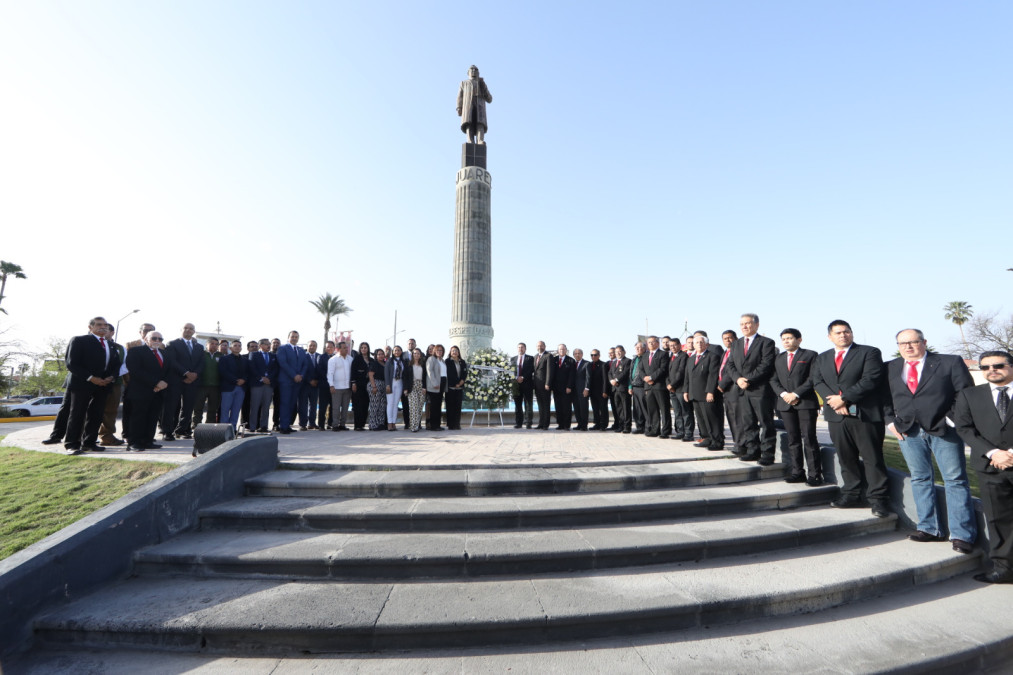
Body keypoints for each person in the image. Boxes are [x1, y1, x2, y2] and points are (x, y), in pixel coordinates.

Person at [885, 329, 975, 553]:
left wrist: (951, 419)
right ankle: (929, 528)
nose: (908, 347)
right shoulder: (891, 367)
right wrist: (890, 422)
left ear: (924, 342)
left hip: (943, 430)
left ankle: (961, 535)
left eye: (913, 342)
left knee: (954, 480)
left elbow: (965, 394)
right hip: (908, 431)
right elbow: (883, 398)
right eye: (902, 343)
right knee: (920, 478)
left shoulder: (949, 362)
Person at [811, 320, 891, 518]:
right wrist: (834, 403)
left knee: (872, 458)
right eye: (837, 333)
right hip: (836, 416)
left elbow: (871, 379)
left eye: (846, 331)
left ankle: (878, 500)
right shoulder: (822, 358)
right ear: (830, 337)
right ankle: (851, 494)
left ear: (852, 333)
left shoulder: (869, 352)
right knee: (846, 457)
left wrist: (844, 399)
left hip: (865, 415)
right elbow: (818, 381)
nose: (843, 335)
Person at [954, 351, 1013, 582]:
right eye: (985, 367)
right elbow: (964, 428)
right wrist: (994, 453)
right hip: (989, 466)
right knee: (997, 519)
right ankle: (1003, 569)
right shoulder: (970, 395)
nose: (992, 370)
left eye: (998, 365)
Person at [724, 314, 778, 465]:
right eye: (742, 324)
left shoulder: (766, 342)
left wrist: (748, 379)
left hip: (760, 389)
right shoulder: (736, 344)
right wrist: (738, 379)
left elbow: (766, 364)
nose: (744, 326)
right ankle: (752, 450)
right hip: (741, 390)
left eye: (748, 323)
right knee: (748, 423)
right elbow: (730, 365)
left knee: (765, 423)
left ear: (756, 325)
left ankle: (767, 453)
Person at [771, 328, 822, 485]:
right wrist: (784, 394)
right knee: (793, 439)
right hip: (785, 404)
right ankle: (797, 472)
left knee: (809, 438)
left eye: (789, 338)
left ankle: (814, 475)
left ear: (799, 340)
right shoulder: (778, 358)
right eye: (783, 339)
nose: (786, 341)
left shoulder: (810, 355)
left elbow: (813, 378)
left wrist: (796, 394)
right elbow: (773, 380)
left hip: (805, 403)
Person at [62, 317, 120, 454]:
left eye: (105, 325)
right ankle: (72, 444)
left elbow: (116, 364)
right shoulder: (79, 340)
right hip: (82, 384)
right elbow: (72, 363)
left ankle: (89, 442)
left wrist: (111, 377)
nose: (103, 327)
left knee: (96, 415)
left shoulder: (110, 344)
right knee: (78, 414)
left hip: (103, 385)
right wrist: (91, 378)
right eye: (99, 325)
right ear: (90, 327)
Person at [124, 331, 171, 452]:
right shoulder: (136, 351)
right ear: (146, 339)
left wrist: (162, 384)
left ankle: (147, 441)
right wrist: (155, 382)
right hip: (140, 391)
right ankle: (134, 443)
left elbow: (168, 371)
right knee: (138, 417)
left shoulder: (164, 353)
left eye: (160, 339)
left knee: (152, 417)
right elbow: (135, 370)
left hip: (158, 392)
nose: (157, 341)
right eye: (154, 338)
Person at [161, 323, 205, 441]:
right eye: (186, 328)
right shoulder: (173, 344)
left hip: (192, 382)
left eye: (191, 329)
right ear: (181, 330)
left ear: (194, 331)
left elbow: (201, 363)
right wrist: (186, 373)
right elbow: (172, 361)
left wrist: (194, 374)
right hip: (176, 380)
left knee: (188, 407)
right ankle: (167, 431)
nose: (188, 330)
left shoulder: (199, 347)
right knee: (171, 406)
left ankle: (182, 429)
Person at [685, 333, 724, 450]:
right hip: (694, 394)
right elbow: (687, 376)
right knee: (701, 419)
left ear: (706, 344)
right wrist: (686, 391)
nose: (699, 344)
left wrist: (710, 391)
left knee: (711, 418)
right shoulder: (691, 359)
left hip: (706, 394)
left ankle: (717, 441)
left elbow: (713, 375)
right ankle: (706, 438)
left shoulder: (712, 356)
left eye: (702, 342)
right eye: (697, 342)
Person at [98, 323, 127, 447]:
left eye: (107, 329)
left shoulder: (120, 348)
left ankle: (107, 436)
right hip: (94, 382)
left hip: (114, 383)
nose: (104, 331)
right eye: (101, 329)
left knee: (111, 410)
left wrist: (112, 377)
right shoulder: (93, 344)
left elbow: (125, 365)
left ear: (112, 332)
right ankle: (86, 436)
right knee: (91, 410)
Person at [276, 331, 308, 434]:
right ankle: (283, 426)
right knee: (285, 403)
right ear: (288, 337)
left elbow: (305, 364)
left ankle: (288, 424)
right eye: (292, 336)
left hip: (297, 382)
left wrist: (301, 375)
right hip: (286, 380)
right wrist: (294, 375)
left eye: (296, 337)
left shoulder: (301, 350)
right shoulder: (283, 348)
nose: (294, 338)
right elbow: (283, 363)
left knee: (292, 404)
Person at [642, 336, 670, 438]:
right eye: (649, 342)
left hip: (659, 385)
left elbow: (663, 369)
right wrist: (645, 378)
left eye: (653, 342)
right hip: (648, 387)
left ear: (657, 343)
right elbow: (641, 369)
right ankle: (655, 429)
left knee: (664, 409)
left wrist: (651, 377)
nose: (651, 344)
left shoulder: (663, 354)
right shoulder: (645, 355)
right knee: (652, 409)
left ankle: (666, 430)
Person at [456, 65, 493, 144]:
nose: (473, 71)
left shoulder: (481, 83)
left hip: (480, 105)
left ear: (478, 73)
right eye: (471, 69)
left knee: (480, 123)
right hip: (468, 105)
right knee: (469, 122)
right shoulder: (464, 83)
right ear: (468, 72)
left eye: (475, 69)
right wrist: (459, 107)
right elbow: (460, 96)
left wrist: (483, 85)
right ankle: (470, 140)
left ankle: (480, 140)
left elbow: (489, 99)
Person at [218, 340, 249, 432]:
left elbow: (248, 372)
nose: (237, 347)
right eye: (235, 345)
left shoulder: (245, 360)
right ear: (230, 348)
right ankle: (224, 429)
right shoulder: (224, 359)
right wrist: (235, 380)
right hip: (228, 388)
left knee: (236, 410)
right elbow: (223, 372)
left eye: (239, 345)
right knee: (225, 410)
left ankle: (233, 429)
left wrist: (243, 380)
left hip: (241, 388)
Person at [248, 339, 278, 433]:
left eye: (269, 344)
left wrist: (269, 378)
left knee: (266, 406)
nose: (269, 346)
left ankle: (263, 426)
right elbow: (252, 368)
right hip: (257, 384)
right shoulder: (254, 354)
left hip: (269, 384)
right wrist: (261, 378)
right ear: (260, 345)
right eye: (266, 344)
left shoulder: (273, 356)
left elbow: (276, 369)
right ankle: (252, 426)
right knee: (255, 406)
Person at [192, 337, 221, 429]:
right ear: (206, 344)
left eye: (216, 344)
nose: (214, 345)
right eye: (212, 343)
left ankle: (209, 427)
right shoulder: (201, 354)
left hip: (216, 387)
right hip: (201, 386)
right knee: (198, 408)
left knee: (212, 408)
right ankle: (196, 426)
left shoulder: (221, 356)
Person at [666, 338, 692, 442]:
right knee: (677, 412)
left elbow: (681, 372)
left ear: (680, 345)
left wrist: (672, 384)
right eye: (670, 345)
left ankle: (688, 433)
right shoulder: (671, 356)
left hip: (680, 388)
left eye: (674, 345)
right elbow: (667, 373)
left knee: (686, 412)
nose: (672, 347)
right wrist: (668, 384)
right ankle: (680, 432)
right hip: (672, 390)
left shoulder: (683, 356)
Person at [327, 341, 354, 431]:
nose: (346, 349)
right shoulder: (333, 360)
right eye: (344, 348)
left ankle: (342, 424)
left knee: (345, 407)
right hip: (336, 388)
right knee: (336, 407)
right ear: (338, 349)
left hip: (347, 387)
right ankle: (335, 425)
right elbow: (330, 374)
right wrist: (331, 385)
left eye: (347, 348)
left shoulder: (350, 359)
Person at [548, 343, 576, 430]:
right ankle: (560, 424)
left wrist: (569, 386)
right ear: (557, 351)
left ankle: (567, 425)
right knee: (558, 407)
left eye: (563, 349)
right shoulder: (554, 360)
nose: (562, 351)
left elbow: (572, 375)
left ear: (566, 350)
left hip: (566, 388)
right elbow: (551, 373)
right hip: (556, 388)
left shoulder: (571, 360)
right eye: (560, 349)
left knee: (567, 407)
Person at [384, 345, 408, 431]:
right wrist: (387, 385)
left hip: (400, 382)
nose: (396, 352)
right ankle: (389, 423)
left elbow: (405, 374)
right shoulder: (389, 361)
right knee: (390, 403)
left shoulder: (403, 362)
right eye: (395, 350)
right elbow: (386, 374)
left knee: (396, 404)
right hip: (391, 382)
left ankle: (394, 423)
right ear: (393, 352)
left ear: (401, 352)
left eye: (398, 350)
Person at [350, 341, 373, 431]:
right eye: (362, 347)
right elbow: (353, 372)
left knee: (365, 405)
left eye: (365, 348)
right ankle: (357, 425)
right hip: (358, 385)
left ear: (368, 349)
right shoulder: (357, 359)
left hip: (367, 385)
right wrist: (353, 383)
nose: (363, 349)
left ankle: (362, 424)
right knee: (358, 405)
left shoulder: (371, 360)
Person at [512, 342, 535, 429]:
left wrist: (523, 377)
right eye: (519, 347)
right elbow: (510, 371)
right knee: (517, 405)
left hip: (527, 384)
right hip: (516, 385)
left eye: (522, 347)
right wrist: (516, 377)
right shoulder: (513, 359)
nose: (520, 349)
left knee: (528, 404)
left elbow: (532, 369)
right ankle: (519, 423)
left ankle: (528, 423)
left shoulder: (530, 358)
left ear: (525, 349)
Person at [610, 345, 632, 433]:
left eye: (619, 351)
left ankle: (627, 426)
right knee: (618, 408)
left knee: (626, 408)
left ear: (624, 352)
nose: (618, 353)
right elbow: (610, 373)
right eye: (616, 352)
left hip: (623, 388)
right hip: (615, 389)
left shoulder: (628, 361)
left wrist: (616, 380)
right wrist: (611, 380)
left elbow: (625, 372)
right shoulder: (614, 362)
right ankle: (621, 425)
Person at [445, 345, 468, 430]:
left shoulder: (462, 362)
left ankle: (457, 424)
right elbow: (448, 374)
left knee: (458, 406)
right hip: (450, 387)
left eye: (456, 350)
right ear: (450, 353)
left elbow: (465, 373)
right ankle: (451, 425)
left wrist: (461, 382)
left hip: (459, 388)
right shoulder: (447, 361)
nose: (454, 352)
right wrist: (455, 383)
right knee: (450, 406)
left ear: (458, 352)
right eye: (452, 351)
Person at [426, 344, 447, 431]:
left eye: (441, 350)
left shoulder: (442, 360)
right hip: (434, 385)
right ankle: (433, 426)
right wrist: (435, 383)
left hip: (442, 383)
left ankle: (437, 425)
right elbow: (430, 372)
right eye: (437, 350)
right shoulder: (431, 359)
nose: (439, 352)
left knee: (438, 405)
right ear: (434, 351)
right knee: (434, 406)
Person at [588, 349, 609, 430]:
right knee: (595, 409)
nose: (593, 356)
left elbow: (605, 379)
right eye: (592, 355)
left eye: (595, 355)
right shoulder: (589, 365)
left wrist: (604, 391)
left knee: (603, 409)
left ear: (599, 355)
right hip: (592, 392)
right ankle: (597, 423)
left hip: (601, 391)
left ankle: (603, 425)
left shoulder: (603, 365)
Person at [305, 341, 324, 429]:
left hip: (316, 385)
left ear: (316, 347)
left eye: (314, 346)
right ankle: (303, 423)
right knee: (303, 405)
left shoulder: (320, 356)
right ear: (307, 347)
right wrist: (309, 380)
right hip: (305, 384)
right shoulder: (303, 356)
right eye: (310, 346)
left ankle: (312, 423)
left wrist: (317, 381)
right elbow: (302, 370)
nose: (312, 347)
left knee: (313, 405)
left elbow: (322, 370)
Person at [532, 341, 552, 430]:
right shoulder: (536, 356)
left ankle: (545, 424)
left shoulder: (548, 356)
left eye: (541, 345)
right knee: (540, 405)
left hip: (545, 385)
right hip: (537, 385)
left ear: (545, 346)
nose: (540, 347)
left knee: (546, 405)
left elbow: (549, 371)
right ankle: (541, 423)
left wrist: (547, 383)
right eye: (538, 345)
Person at [629, 342, 647, 434]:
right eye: (636, 347)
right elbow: (631, 373)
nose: (638, 349)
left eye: (640, 347)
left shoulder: (646, 358)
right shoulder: (634, 359)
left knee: (644, 408)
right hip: (634, 386)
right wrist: (630, 386)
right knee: (637, 409)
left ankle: (647, 427)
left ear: (644, 348)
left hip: (643, 386)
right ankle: (639, 426)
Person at [367, 348, 387, 431]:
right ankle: (372, 424)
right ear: (376, 356)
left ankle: (380, 423)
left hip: (383, 384)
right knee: (374, 405)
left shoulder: (385, 363)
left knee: (382, 406)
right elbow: (371, 375)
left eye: (382, 354)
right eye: (379, 354)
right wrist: (374, 386)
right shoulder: (374, 364)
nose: (381, 355)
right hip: (375, 384)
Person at [316, 341, 335, 429]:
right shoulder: (321, 357)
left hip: (334, 386)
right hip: (324, 385)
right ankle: (321, 424)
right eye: (327, 347)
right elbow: (319, 370)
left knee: (333, 405)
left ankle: (330, 423)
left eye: (331, 347)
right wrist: (329, 378)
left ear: (334, 348)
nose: (329, 348)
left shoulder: (336, 357)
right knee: (323, 406)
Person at [572, 348, 590, 431]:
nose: (577, 355)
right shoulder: (573, 364)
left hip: (583, 390)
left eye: (579, 353)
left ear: (582, 354)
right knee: (576, 408)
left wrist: (586, 388)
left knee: (583, 408)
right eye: (575, 353)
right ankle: (579, 424)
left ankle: (584, 425)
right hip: (574, 390)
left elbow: (588, 378)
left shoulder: (586, 364)